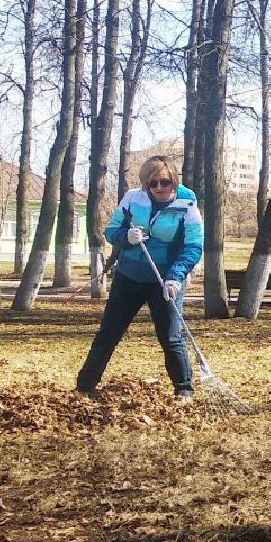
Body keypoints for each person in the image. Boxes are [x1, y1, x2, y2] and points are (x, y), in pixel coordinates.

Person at [76, 155, 205, 400]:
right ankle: (85, 386)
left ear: (173, 182)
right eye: (152, 183)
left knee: (170, 336)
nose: (158, 188)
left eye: (164, 182)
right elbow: (111, 231)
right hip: (129, 278)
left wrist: (175, 277)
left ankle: (184, 388)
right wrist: (126, 237)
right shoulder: (132, 199)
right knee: (108, 333)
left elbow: (193, 246)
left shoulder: (187, 206)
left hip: (165, 281)